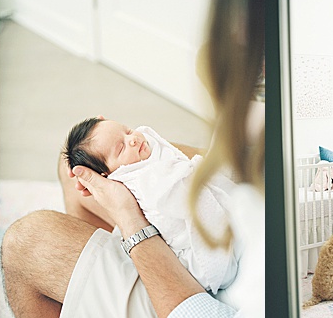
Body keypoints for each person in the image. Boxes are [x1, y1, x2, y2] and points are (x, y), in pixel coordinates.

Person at [0, 0, 266, 318]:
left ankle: (110, 286)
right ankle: (96, 294)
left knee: (23, 243)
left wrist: (129, 219)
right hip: (234, 191)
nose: (135, 137)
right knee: (71, 172)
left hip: (209, 291)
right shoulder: (260, 100)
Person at [62, 117, 238, 294]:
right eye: (121, 148)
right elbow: (175, 206)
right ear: (106, 175)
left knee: (65, 171)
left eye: (128, 130)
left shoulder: (142, 152)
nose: (133, 139)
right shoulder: (143, 185)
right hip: (189, 251)